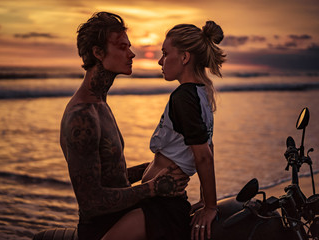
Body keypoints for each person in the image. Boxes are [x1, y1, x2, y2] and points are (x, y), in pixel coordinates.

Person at [60, 12, 189, 240]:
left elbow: (111, 179)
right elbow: (90, 203)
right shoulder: (83, 116)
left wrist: (155, 168)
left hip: (123, 215)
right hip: (104, 228)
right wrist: (152, 188)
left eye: (128, 46)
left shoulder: (100, 103)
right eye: (121, 47)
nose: (131, 53)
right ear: (98, 53)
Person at [141, 22, 226, 240]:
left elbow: (204, 156)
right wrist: (204, 201)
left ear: (185, 57)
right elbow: (209, 147)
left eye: (165, 53)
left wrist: (210, 207)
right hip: (164, 203)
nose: (160, 61)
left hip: (161, 208)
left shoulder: (183, 97)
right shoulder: (201, 93)